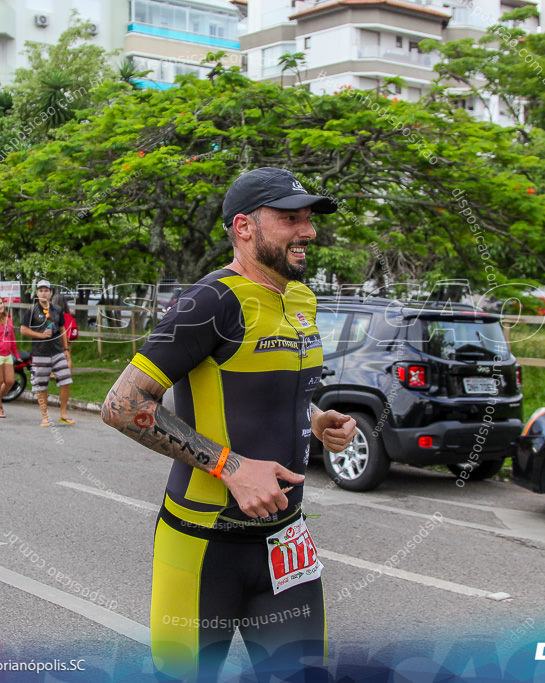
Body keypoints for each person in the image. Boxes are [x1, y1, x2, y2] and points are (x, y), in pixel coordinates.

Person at [102, 167, 357, 681]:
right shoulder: (210, 302)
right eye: (290, 219)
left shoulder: (301, 297)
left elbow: (267, 388)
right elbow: (123, 404)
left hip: (285, 540)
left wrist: (316, 417)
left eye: (308, 220)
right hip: (203, 544)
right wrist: (229, 465)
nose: (307, 232)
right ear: (244, 226)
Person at [20, 281, 75, 427]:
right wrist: (40, 335)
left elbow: (62, 329)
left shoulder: (57, 309)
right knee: (41, 385)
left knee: (66, 380)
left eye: (46, 290)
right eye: (41, 290)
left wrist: (66, 349)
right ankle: (44, 416)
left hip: (57, 351)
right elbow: (23, 330)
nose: (44, 293)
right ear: (37, 293)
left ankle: (63, 412)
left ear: (51, 293)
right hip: (40, 352)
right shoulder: (32, 310)